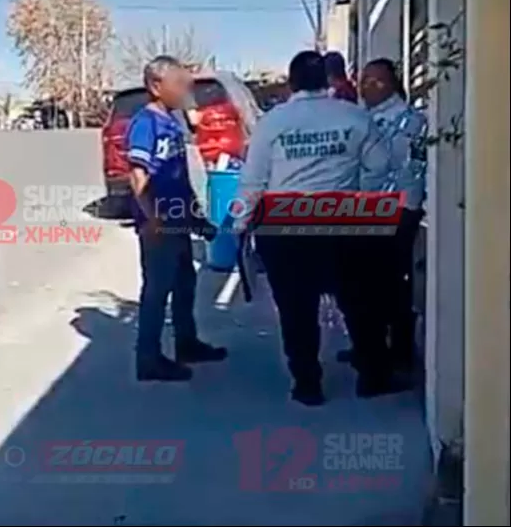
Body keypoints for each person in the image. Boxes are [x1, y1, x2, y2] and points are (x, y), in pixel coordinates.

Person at [236, 50, 407, 406]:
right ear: (326, 81)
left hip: (285, 223)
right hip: (343, 219)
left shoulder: (274, 122)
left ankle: (307, 384)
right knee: (360, 302)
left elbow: (253, 180)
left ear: (291, 82)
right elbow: (379, 167)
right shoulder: (355, 116)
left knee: (296, 308)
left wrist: (240, 223)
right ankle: (373, 376)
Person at [127, 55, 227, 382]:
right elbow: (138, 175)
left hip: (179, 220)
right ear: (156, 86)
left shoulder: (172, 121)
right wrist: (152, 218)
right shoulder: (146, 123)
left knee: (185, 283)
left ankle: (187, 343)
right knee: (157, 290)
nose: (186, 90)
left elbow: (179, 178)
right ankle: (149, 359)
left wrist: (197, 219)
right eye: (180, 84)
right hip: (160, 224)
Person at [357, 57, 426, 372]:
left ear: (392, 84)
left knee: (393, 284)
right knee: (369, 284)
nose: (366, 87)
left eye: (375, 81)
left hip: (397, 210)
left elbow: (401, 166)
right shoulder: (365, 118)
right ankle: (371, 346)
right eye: (363, 80)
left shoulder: (409, 120)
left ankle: (397, 352)